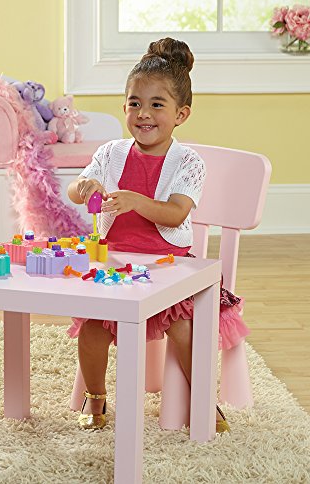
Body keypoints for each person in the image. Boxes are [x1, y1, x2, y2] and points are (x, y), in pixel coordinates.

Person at [67, 37, 248, 433]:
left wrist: (136, 201)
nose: (143, 114)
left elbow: (176, 211)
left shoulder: (188, 161)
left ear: (181, 114)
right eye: (134, 103)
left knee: (184, 329)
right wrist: (84, 187)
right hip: (116, 264)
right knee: (92, 329)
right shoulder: (110, 153)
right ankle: (95, 397)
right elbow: (74, 189)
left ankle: (204, 399)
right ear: (124, 107)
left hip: (169, 267)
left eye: (157, 105)